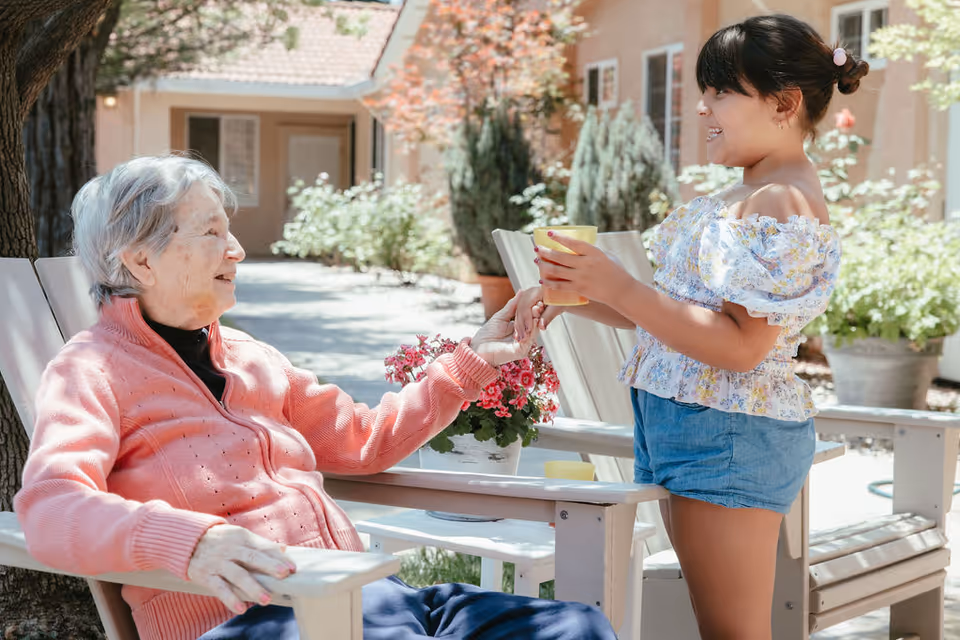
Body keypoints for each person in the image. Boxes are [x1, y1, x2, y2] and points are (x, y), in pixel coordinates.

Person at [14, 155, 617, 640]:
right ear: (141, 259)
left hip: (365, 599)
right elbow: (50, 506)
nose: (238, 251)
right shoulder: (90, 371)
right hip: (253, 616)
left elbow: (361, 441)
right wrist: (187, 540)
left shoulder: (249, 355)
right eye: (212, 232)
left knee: (575, 624)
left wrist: (470, 363)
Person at [514, 14, 862, 640]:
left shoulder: (781, 202)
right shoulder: (747, 193)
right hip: (694, 428)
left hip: (726, 435)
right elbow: (674, 316)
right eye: (704, 92)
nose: (702, 109)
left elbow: (741, 348)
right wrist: (575, 295)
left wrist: (618, 284)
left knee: (732, 632)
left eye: (721, 92)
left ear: (784, 103)